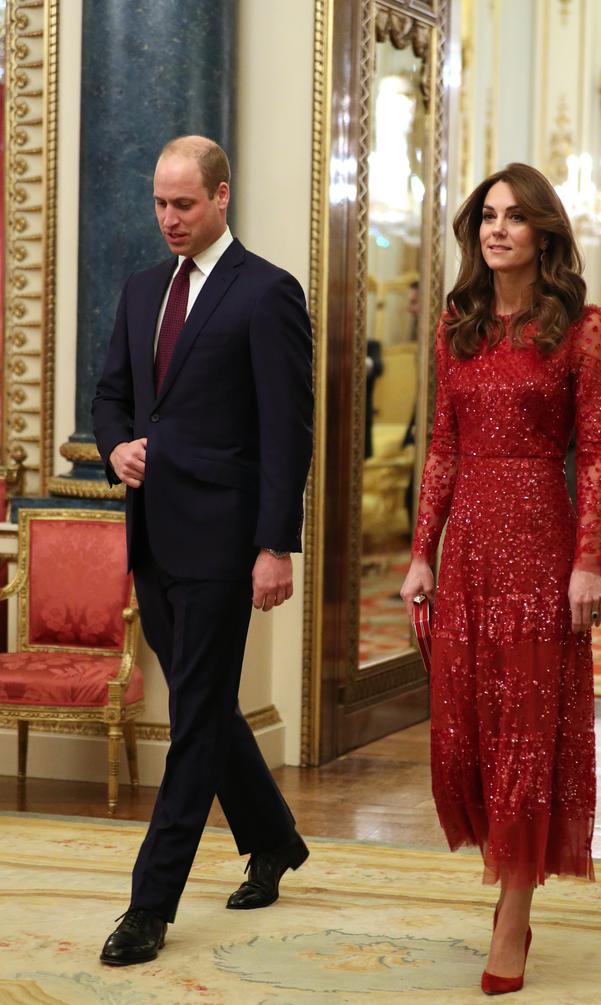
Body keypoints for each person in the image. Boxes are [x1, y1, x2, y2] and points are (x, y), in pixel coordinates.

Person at [92, 136, 313, 966]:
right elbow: (112, 395)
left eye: (184, 203)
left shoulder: (267, 294)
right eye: (160, 202)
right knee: (209, 706)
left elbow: (286, 435)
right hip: (153, 537)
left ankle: (150, 905)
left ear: (223, 196)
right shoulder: (141, 289)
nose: (168, 218)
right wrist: (116, 448)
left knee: (191, 720)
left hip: (226, 545)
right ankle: (274, 837)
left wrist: (275, 546)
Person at [401, 163, 601, 995]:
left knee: (528, 729)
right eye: (487, 216)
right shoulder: (460, 323)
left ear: (543, 235)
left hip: (540, 545)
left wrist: (587, 562)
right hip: (470, 554)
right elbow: (444, 446)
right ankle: (506, 877)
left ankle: (515, 911)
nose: (496, 229)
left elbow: (594, 454)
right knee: (470, 731)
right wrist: (424, 550)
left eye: (515, 218)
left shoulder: (579, 328)